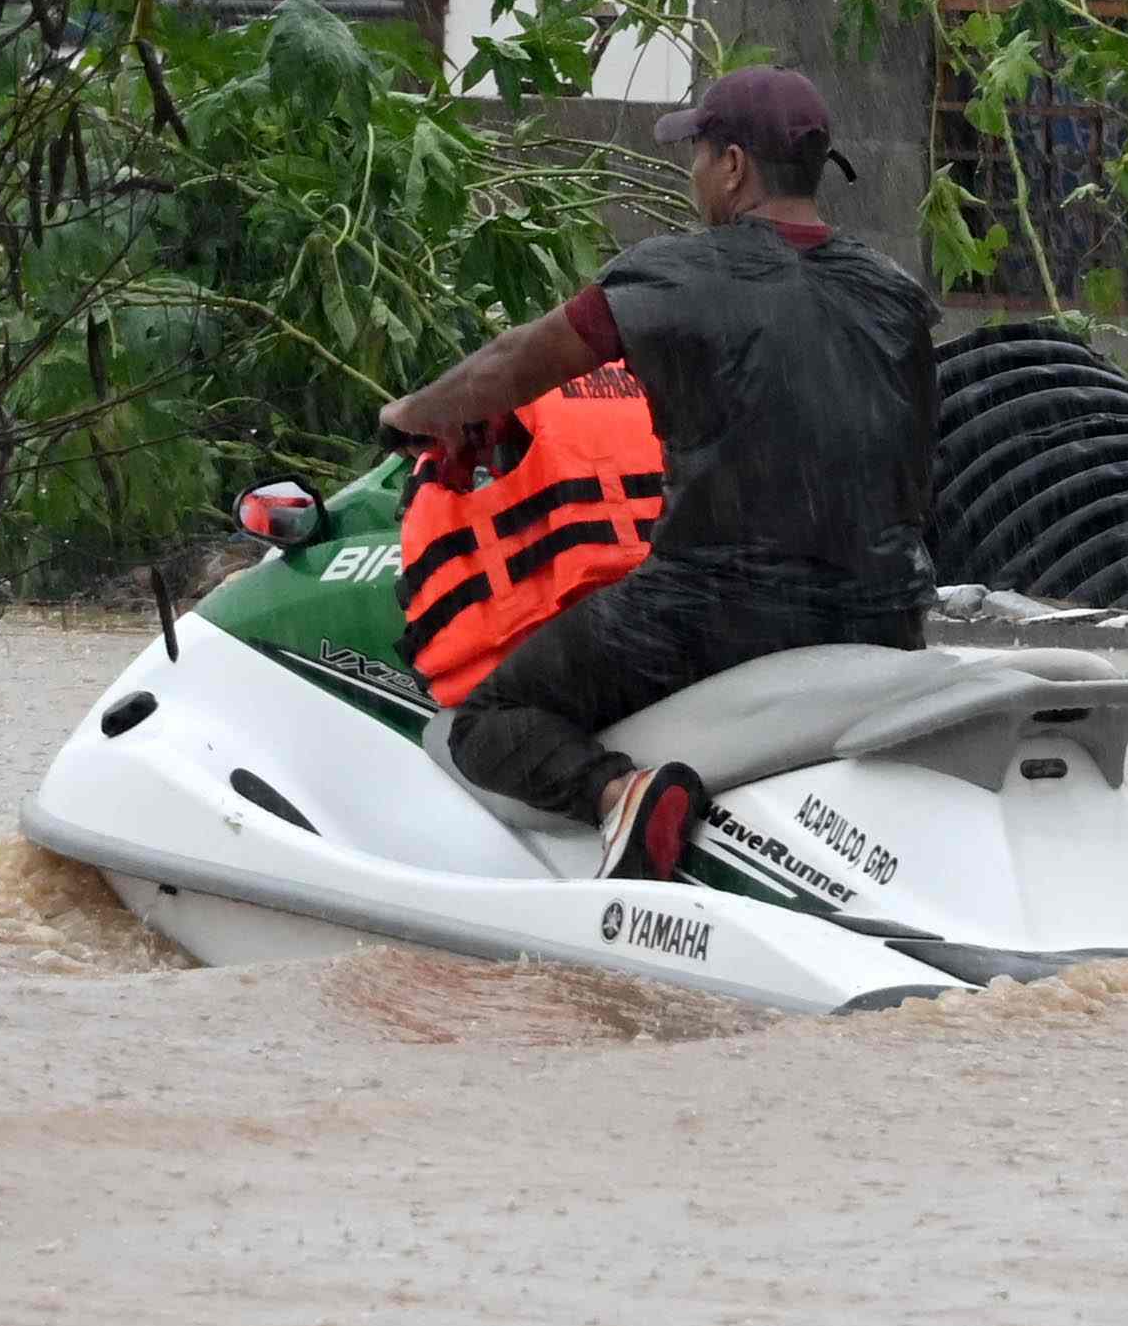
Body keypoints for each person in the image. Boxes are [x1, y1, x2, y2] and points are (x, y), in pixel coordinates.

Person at [376, 65, 937, 882]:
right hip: (885, 616)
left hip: (718, 614)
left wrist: (416, 413)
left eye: (700, 154)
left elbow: (513, 362)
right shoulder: (898, 297)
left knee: (491, 716)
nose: (694, 173)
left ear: (735, 166)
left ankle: (621, 796)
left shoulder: (679, 273)